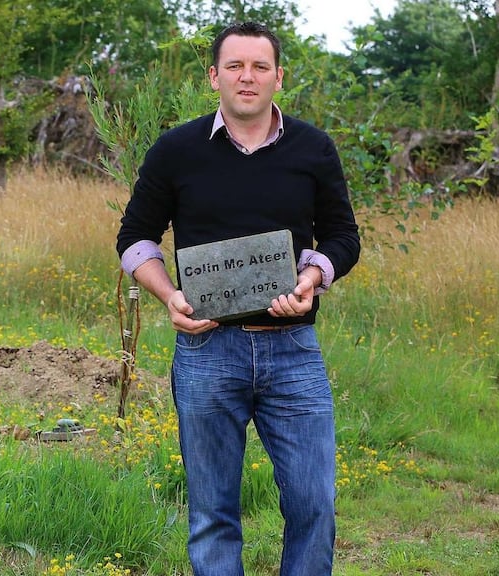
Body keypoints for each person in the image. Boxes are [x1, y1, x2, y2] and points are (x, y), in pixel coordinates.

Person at [115, 22, 361, 576]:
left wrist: (313, 278)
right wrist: (168, 296)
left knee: (314, 505)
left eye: (259, 67)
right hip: (207, 354)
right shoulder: (176, 150)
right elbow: (135, 238)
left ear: (278, 76)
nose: (246, 77)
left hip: (293, 351)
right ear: (214, 76)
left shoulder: (313, 148)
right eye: (234, 66)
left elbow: (344, 237)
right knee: (212, 513)